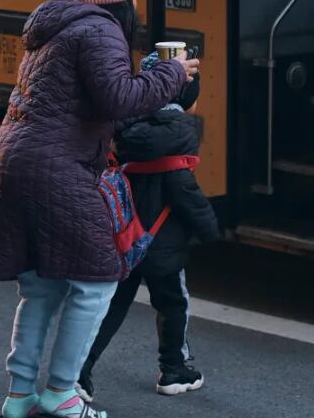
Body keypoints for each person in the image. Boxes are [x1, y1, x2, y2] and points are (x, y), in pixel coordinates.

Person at [0, 0, 200, 418]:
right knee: (97, 282)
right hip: (55, 169)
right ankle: (62, 392)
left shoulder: (58, 28)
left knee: (42, 286)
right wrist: (172, 74)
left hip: (10, 160)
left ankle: (20, 397)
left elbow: (103, 108)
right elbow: (119, 98)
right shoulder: (101, 30)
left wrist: (165, 89)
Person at [76, 54, 220, 402]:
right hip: (163, 243)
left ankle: (80, 371)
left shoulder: (126, 131)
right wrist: (211, 229)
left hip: (126, 239)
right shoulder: (179, 134)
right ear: (186, 98)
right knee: (173, 304)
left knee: (111, 307)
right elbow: (184, 190)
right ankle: (174, 369)